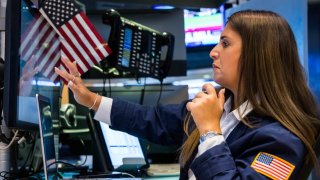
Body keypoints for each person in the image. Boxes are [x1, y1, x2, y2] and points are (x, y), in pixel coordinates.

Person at [55, 10, 320, 179]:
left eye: (225, 43)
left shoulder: (281, 139)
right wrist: (90, 99)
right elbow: (152, 119)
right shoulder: (220, 103)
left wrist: (210, 132)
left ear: (257, 56)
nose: (213, 52)